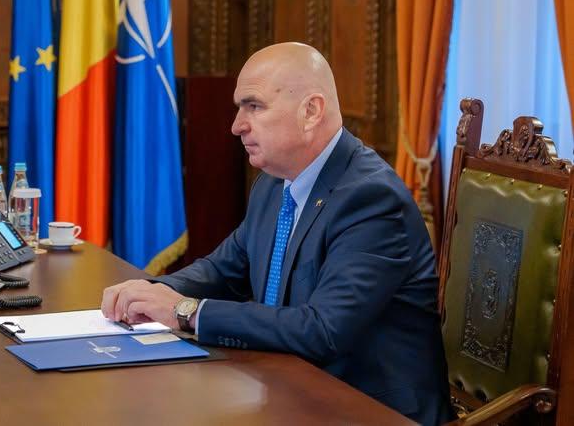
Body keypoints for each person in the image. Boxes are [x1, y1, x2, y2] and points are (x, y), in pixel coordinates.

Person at [102, 42, 453, 425]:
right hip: (289, 389)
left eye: (254, 106)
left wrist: (183, 311)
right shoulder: (274, 184)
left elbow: (322, 330)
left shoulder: (371, 199)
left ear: (311, 111)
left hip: (368, 409)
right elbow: (224, 270)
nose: (237, 125)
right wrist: (147, 292)